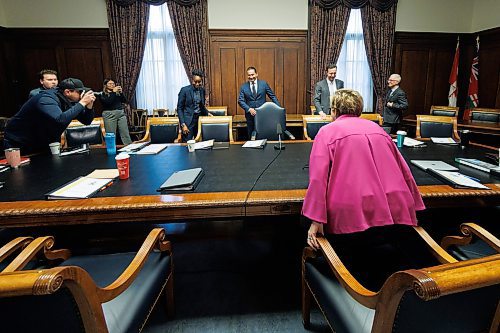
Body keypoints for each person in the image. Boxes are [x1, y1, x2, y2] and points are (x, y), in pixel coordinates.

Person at [302, 89, 425, 288]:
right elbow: (404, 170)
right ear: (359, 109)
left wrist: (315, 222)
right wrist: (414, 205)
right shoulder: (379, 130)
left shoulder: (327, 132)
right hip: (390, 209)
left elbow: (318, 179)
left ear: (334, 110)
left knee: (303, 225)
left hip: (348, 214)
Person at [4, 78, 95, 155]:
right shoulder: (46, 99)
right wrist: (82, 102)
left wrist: (89, 107)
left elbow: (86, 121)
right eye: (80, 91)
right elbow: (60, 119)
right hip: (21, 142)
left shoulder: (68, 100)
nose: (82, 94)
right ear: (67, 92)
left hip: (43, 142)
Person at [238, 66, 281, 138]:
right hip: (250, 116)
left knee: (263, 134)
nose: (251, 77)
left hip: (263, 114)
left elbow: (272, 96)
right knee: (251, 135)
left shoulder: (263, 84)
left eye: (252, 74)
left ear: (256, 74)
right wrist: (249, 109)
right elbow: (240, 101)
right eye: (249, 75)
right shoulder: (243, 87)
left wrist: (279, 109)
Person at [95, 78, 132, 145]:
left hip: (120, 113)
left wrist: (121, 93)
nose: (112, 85)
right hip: (109, 115)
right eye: (110, 84)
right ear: (105, 85)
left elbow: (124, 101)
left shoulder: (116, 93)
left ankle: (129, 147)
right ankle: (111, 149)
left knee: (125, 133)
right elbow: (108, 102)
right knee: (111, 135)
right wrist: (113, 92)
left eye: (113, 84)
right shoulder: (102, 94)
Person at [177, 69, 210, 142]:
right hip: (188, 122)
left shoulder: (202, 90)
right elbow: (179, 109)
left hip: (199, 120)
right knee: (187, 143)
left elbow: (201, 106)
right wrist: (183, 124)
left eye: (199, 82)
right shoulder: (184, 90)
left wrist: (208, 113)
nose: (197, 84)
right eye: (196, 82)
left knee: (199, 143)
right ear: (192, 80)